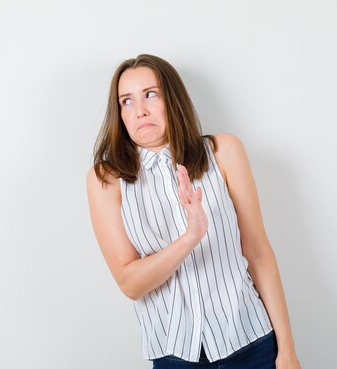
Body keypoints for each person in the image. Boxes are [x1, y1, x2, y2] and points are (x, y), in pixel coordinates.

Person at [86, 54, 302, 369]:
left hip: (252, 344)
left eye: (150, 94)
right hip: (176, 357)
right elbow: (130, 283)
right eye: (126, 101)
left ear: (172, 99)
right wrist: (190, 238)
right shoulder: (105, 179)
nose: (140, 110)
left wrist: (287, 350)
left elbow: (258, 252)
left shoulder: (223, 152)